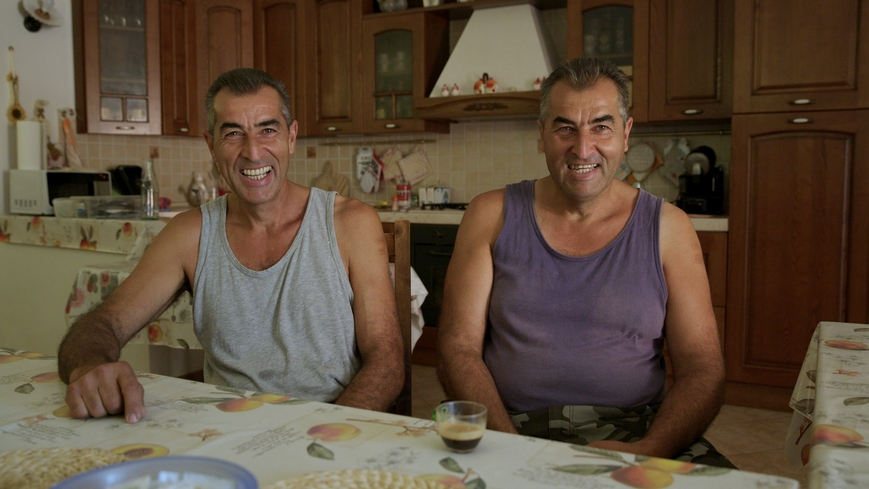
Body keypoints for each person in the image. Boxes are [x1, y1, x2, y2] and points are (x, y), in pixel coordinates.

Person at [58, 68, 404, 423]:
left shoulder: (351, 223)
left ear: (291, 137)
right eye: (233, 134)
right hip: (227, 432)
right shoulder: (189, 234)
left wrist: (330, 432)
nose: (253, 152)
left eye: (267, 130)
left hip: (329, 428)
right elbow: (102, 324)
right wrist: (90, 367)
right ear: (211, 145)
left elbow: (387, 361)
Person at [436, 57, 731, 466]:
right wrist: (509, 448)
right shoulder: (490, 214)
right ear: (541, 135)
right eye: (565, 128)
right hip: (507, 426)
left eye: (601, 127)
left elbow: (703, 367)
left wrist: (650, 451)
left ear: (626, 134)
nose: (582, 148)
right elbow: (457, 348)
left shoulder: (669, 227)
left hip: (638, 431)